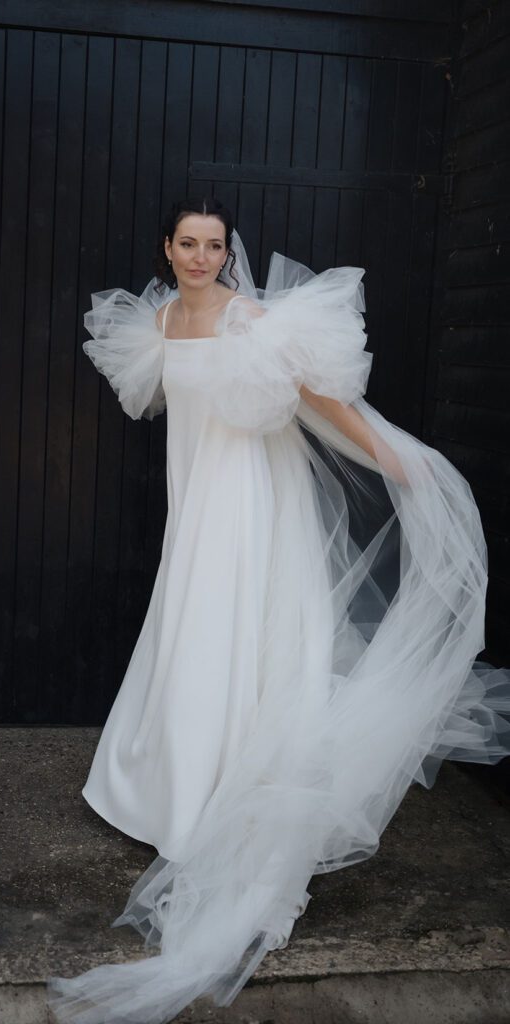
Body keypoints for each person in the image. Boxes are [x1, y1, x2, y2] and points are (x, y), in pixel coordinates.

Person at [48, 196, 510, 1024]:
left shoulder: (249, 319)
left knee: (231, 640)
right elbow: (172, 403)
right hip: (193, 509)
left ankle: (218, 805)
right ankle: (164, 791)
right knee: (188, 638)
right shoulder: (159, 323)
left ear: (228, 252)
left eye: (214, 245)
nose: (201, 256)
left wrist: (391, 455)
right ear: (167, 249)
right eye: (188, 243)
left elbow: (319, 399)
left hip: (246, 511)